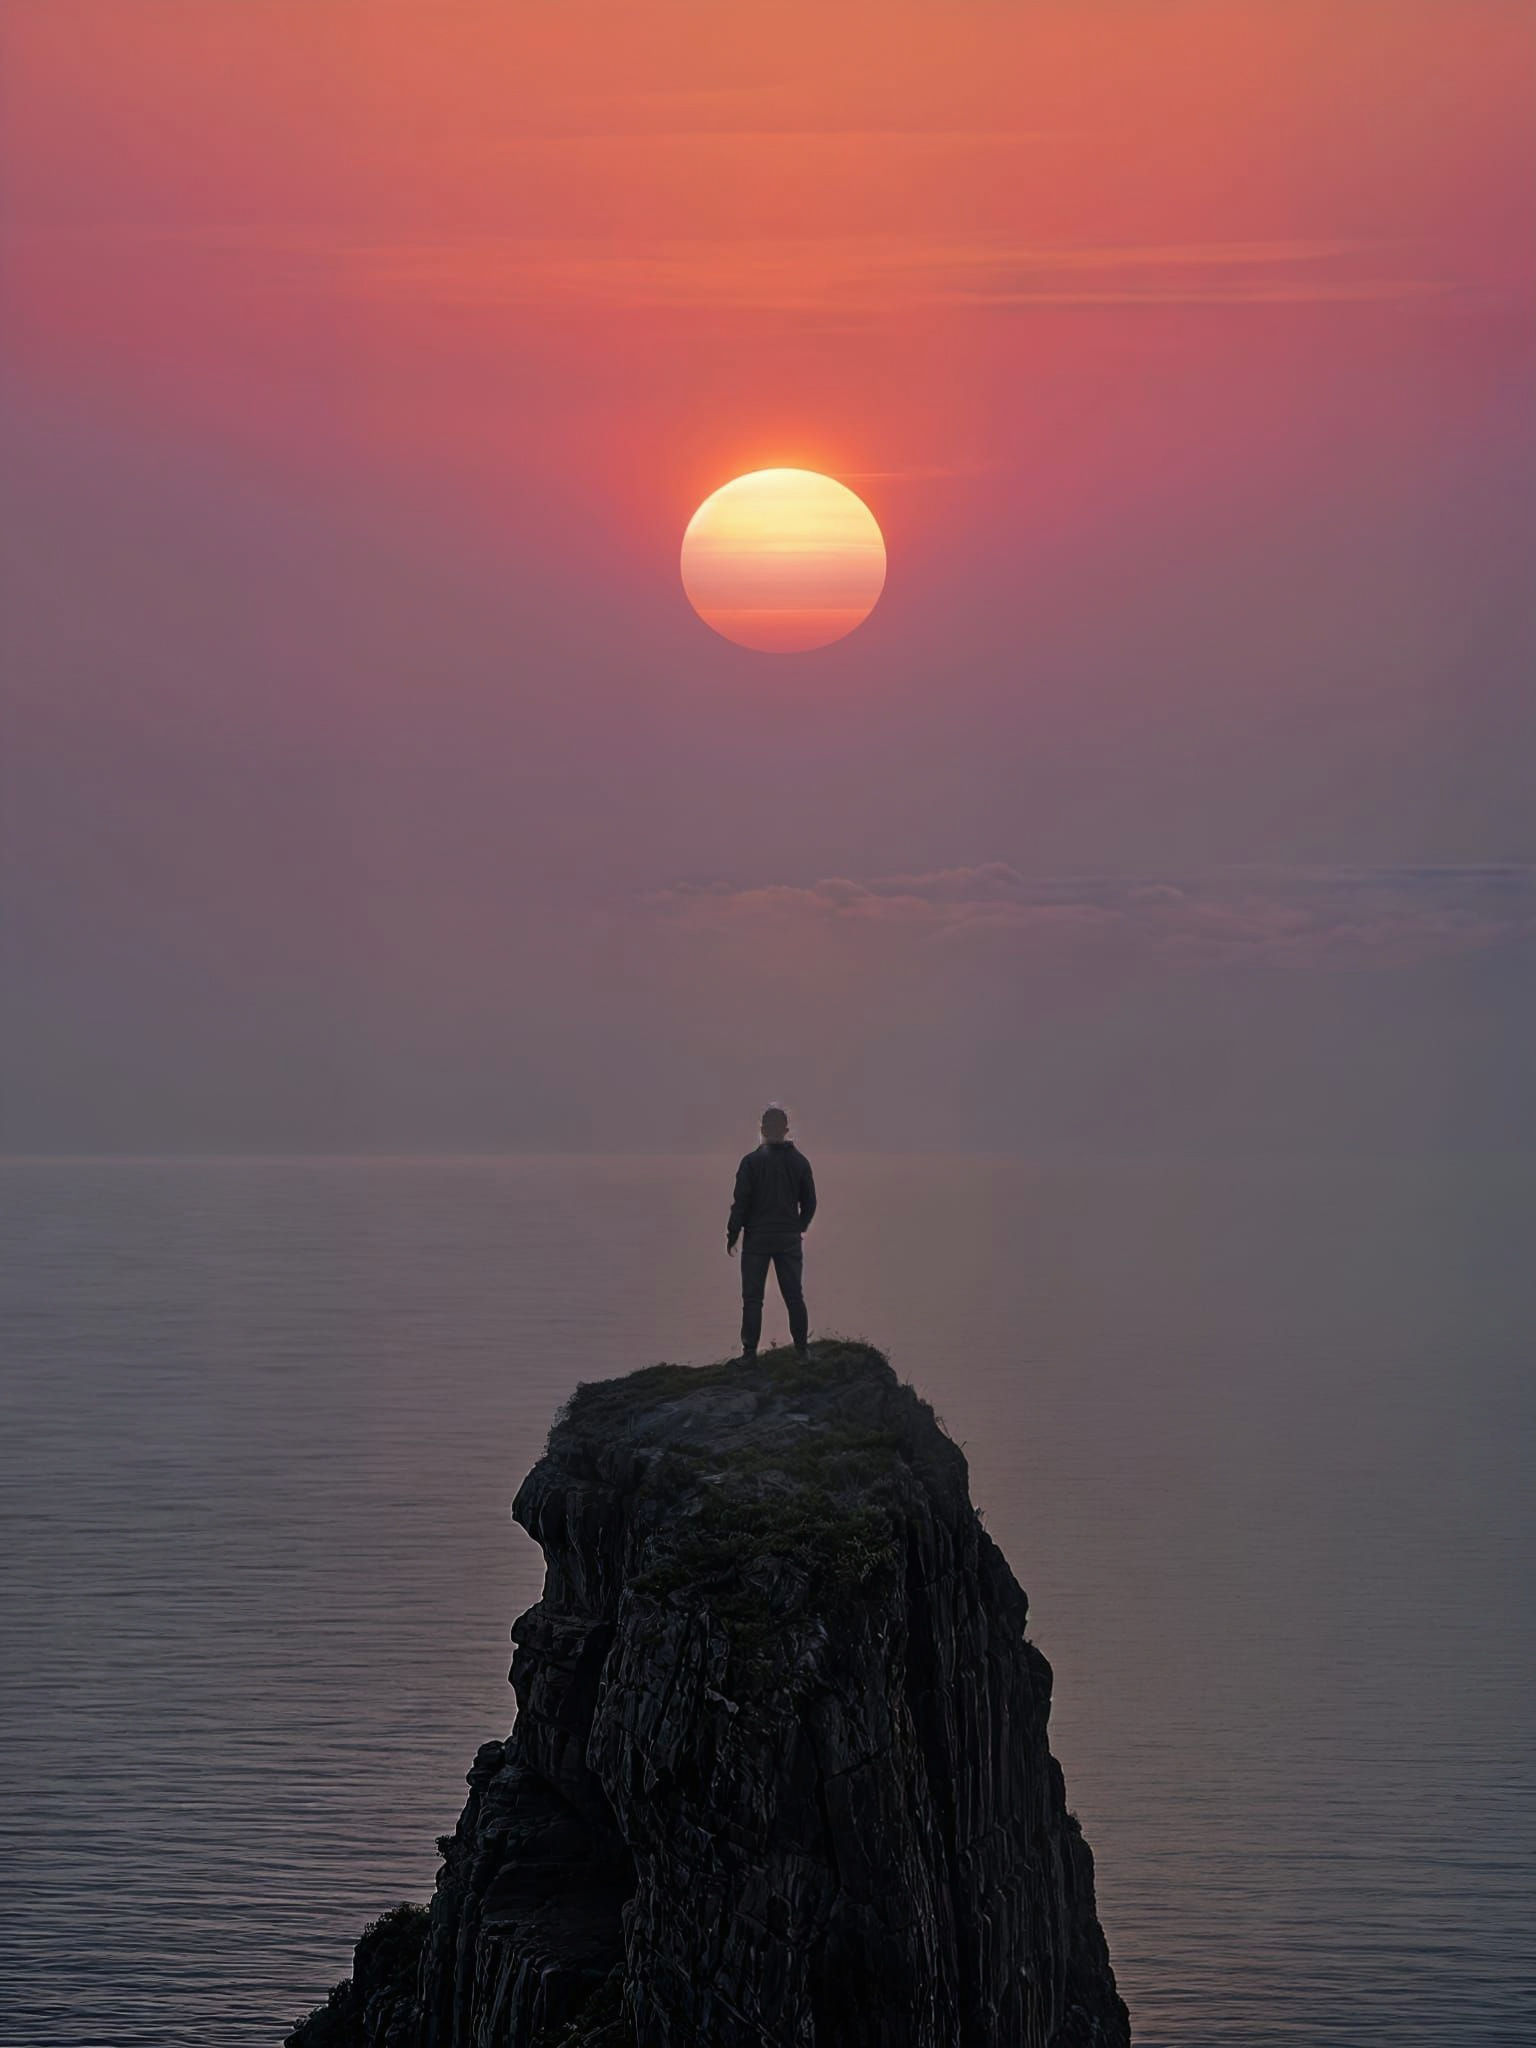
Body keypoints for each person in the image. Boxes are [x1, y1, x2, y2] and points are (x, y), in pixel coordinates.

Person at [726, 1103, 817, 1360]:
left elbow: (741, 1203)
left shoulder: (750, 1163)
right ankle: (802, 1351)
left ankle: (749, 1355)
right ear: (785, 1130)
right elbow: (810, 1203)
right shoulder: (799, 1162)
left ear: (763, 1129)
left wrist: (733, 1234)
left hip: (757, 1239)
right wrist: (799, 1227)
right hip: (788, 1239)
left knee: (753, 1299)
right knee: (794, 1296)